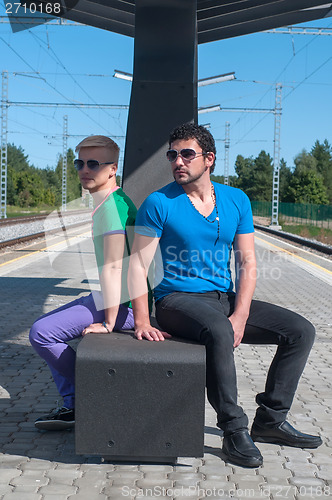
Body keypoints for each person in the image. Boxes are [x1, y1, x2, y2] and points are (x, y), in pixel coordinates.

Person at [128, 123, 322, 468]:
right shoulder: (158, 203)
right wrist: (142, 318)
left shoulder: (236, 200)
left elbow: (247, 262)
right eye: (172, 154)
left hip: (223, 298)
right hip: (176, 300)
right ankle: (234, 429)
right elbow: (137, 266)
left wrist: (241, 314)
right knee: (218, 329)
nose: (178, 161)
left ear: (209, 159)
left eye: (187, 153)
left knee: (300, 331)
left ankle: (271, 420)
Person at [30, 135, 136, 431]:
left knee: (41, 333)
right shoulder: (111, 202)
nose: (84, 170)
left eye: (93, 164)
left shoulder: (111, 209)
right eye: (80, 163)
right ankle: (73, 404)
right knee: (47, 325)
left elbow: (115, 268)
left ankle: (90, 392)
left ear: (113, 168)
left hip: (122, 304)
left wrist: (110, 322)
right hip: (111, 297)